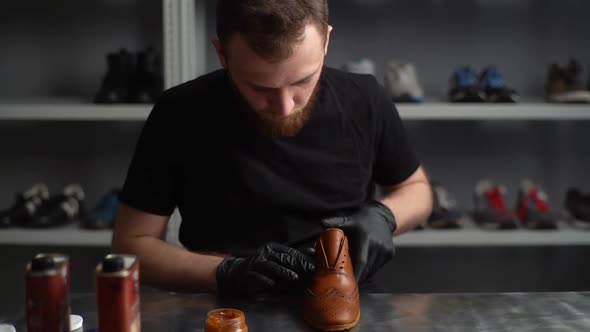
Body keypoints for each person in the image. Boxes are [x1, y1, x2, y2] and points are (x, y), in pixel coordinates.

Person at [112, 0, 432, 297]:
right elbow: (131, 246)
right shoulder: (179, 112)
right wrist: (225, 271)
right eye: (260, 87)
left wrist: (385, 216)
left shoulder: (365, 99)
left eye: (303, 81)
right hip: (227, 305)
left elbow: (417, 189)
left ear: (326, 42)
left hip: (343, 297)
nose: (284, 107)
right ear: (222, 54)